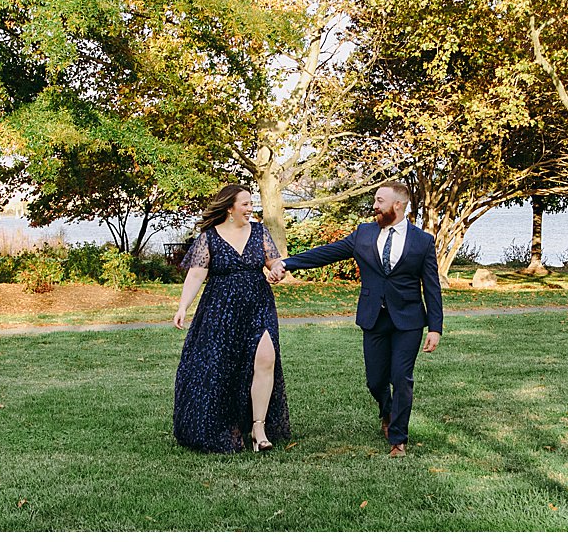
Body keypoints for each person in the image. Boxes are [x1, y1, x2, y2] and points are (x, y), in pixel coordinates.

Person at [268, 183, 442, 458]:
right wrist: (288, 263)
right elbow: (327, 253)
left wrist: (435, 327)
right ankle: (387, 411)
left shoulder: (422, 241)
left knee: (402, 377)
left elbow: (431, 286)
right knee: (375, 381)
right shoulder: (364, 233)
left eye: (379, 200)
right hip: (374, 318)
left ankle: (398, 439)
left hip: (408, 320)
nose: (374, 205)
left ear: (397, 205)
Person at [172, 184, 290, 453]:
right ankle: (225, 423)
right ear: (229, 207)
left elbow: (274, 263)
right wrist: (182, 307)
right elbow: (196, 274)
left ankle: (258, 428)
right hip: (220, 308)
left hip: (258, 304)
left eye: (251, 203)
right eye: (246, 204)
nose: (251, 208)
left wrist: (277, 272)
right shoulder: (209, 237)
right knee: (222, 365)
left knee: (266, 359)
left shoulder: (259, 231)